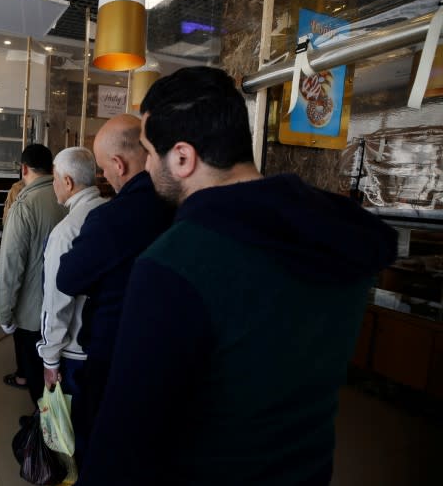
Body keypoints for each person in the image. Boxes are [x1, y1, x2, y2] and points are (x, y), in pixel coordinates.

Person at [75, 67, 398, 486]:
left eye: (150, 153)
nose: (148, 165)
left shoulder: (175, 263)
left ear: (183, 157)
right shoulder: (339, 236)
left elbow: (126, 437)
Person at [56, 113, 173, 462]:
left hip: (115, 352)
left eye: (104, 169)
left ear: (119, 165)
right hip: (169, 349)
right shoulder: (179, 205)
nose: (103, 177)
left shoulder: (111, 217)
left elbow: (68, 278)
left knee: (102, 442)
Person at [36, 146, 107, 460]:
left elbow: (56, 301)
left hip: (74, 350)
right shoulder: (110, 214)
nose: (53, 185)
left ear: (67, 181)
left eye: (54, 179)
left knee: (75, 431)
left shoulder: (66, 232)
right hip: (103, 343)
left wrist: (50, 359)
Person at [0, 144, 66, 405]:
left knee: (37, 377)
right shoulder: (68, 196)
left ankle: (43, 434)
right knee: (56, 372)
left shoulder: (24, 204)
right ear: (52, 169)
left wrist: (4, 313)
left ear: (23, 168)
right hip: (64, 307)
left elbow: (11, 266)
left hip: (32, 312)